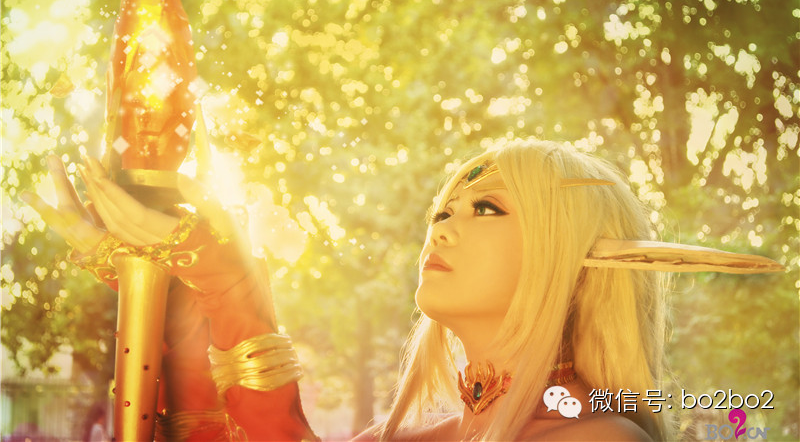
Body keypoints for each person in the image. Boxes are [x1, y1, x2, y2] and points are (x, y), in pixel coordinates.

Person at [25, 137, 777, 441]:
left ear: (571, 253)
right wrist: (179, 290)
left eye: (487, 209)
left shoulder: (595, 439)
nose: (442, 227)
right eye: (442, 210)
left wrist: (227, 283)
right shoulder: (425, 434)